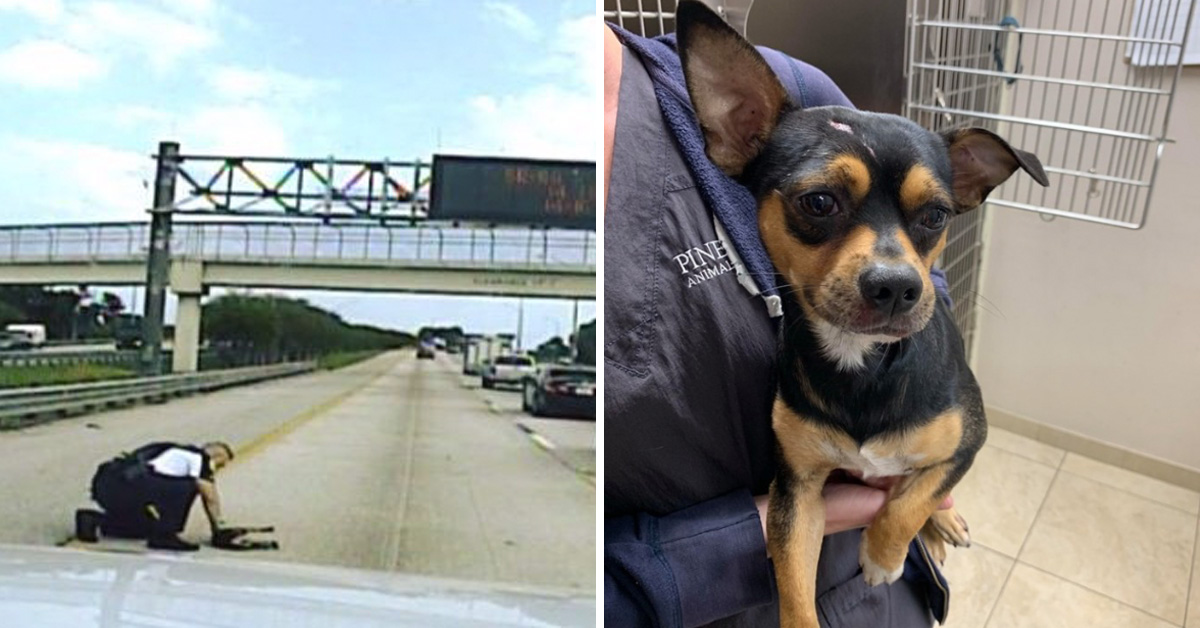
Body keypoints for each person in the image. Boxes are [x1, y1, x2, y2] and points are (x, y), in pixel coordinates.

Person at [603, 16, 952, 628]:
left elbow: (930, 289)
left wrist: (922, 448)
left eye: (930, 221)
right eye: (820, 204)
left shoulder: (798, 89)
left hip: (878, 594)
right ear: (737, 130)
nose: (894, 274)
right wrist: (777, 517)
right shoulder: (755, 118)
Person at [75, 441, 234, 551]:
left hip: (110, 486)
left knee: (146, 527)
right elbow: (209, 495)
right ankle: (166, 536)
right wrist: (218, 530)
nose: (218, 469)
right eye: (221, 463)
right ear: (217, 455)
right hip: (128, 487)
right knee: (189, 486)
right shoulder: (199, 457)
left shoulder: (169, 451)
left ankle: (92, 520)